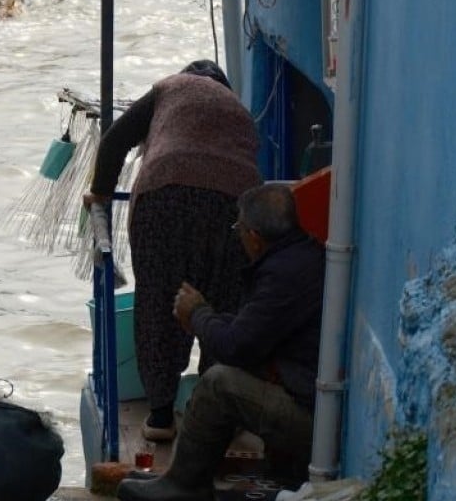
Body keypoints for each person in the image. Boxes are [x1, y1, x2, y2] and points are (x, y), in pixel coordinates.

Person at [83, 60, 260, 441]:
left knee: (158, 301)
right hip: (234, 206)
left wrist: (100, 191)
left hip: (165, 194)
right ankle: (215, 417)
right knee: (224, 304)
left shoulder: (170, 87)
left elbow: (116, 138)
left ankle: (161, 418)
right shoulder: (239, 110)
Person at [116, 183, 326, 501]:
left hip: (312, 420)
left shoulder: (283, 275)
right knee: (225, 369)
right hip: (310, 398)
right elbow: (249, 331)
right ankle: (183, 476)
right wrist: (207, 318)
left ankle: (184, 486)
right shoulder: (300, 257)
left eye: (238, 228)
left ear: (253, 237)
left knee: (219, 383)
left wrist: (198, 313)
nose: (237, 236)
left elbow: (235, 347)